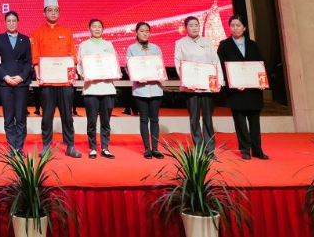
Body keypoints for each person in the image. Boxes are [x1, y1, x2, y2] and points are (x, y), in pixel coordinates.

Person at [31, 0, 81, 158]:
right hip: (47, 81)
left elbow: (72, 56)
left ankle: (70, 146)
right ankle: (46, 145)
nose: (53, 13)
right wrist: (38, 75)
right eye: (50, 10)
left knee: (67, 116)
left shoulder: (66, 31)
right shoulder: (38, 32)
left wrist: (72, 76)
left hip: (65, 82)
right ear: (44, 13)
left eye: (56, 10)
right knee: (47, 116)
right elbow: (36, 57)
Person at [217, 15, 269, 160]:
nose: (235, 28)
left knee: (254, 121)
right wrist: (233, 81)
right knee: (240, 122)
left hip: (253, 90)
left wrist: (262, 81)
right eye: (232, 25)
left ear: (244, 28)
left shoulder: (253, 45)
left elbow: (261, 64)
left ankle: (257, 150)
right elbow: (220, 66)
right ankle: (245, 149)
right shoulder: (224, 45)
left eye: (238, 25)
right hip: (236, 91)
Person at [174, 16, 224, 156]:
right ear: (186, 28)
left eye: (196, 25)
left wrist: (219, 81)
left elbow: (215, 62)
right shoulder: (180, 43)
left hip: (207, 87)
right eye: (191, 25)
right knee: (194, 119)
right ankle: (198, 148)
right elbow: (178, 63)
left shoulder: (207, 42)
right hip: (191, 88)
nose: (194, 28)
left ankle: (210, 150)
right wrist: (187, 80)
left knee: (208, 118)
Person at [76, 19, 118, 159]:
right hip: (91, 88)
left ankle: (105, 148)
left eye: (99, 26)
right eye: (94, 26)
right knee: (92, 121)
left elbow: (114, 63)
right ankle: (92, 148)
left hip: (107, 88)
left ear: (103, 29)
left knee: (106, 121)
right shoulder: (84, 45)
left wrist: (114, 72)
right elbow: (79, 64)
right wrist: (84, 74)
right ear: (89, 29)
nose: (97, 29)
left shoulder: (109, 45)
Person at [0, 11, 31, 153]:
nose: (11, 23)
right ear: (5, 23)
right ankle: (12, 147)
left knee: (20, 116)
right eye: (8, 21)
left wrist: (21, 77)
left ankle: (19, 147)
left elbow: (28, 61)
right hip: (5, 83)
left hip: (21, 82)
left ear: (18, 22)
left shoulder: (25, 39)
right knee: (8, 116)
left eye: (14, 20)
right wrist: (5, 76)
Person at [126, 22, 165, 159]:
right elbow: (128, 67)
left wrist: (159, 74)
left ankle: (155, 149)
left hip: (155, 89)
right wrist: (137, 76)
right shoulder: (131, 49)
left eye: (147, 31)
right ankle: (147, 149)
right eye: (141, 31)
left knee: (154, 120)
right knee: (143, 119)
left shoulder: (156, 48)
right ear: (136, 33)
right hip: (140, 90)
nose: (144, 33)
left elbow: (160, 67)